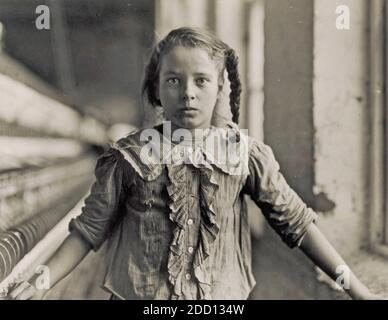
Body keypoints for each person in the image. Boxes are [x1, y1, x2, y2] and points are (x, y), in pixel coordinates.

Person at [9, 27, 382, 300]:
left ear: (220, 88)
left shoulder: (244, 155)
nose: (187, 92)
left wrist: (356, 288)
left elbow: (297, 224)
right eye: (174, 80)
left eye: (201, 81)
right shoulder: (129, 158)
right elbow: (88, 230)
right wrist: (41, 280)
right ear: (157, 88)